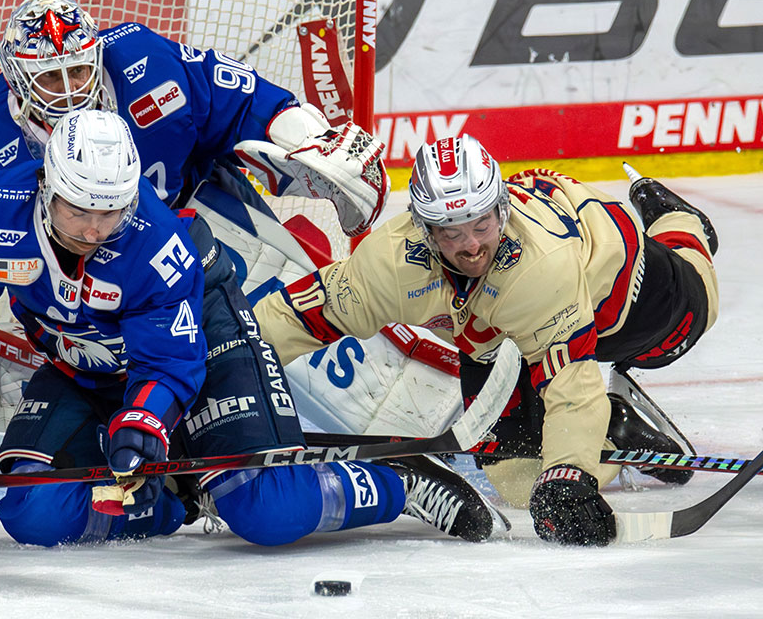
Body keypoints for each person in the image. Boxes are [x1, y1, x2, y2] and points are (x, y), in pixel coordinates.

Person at [0, 110, 497, 546]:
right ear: (46, 183)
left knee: (265, 512)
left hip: (205, 345)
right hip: (84, 366)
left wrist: (145, 421)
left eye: (110, 210)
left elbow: (170, 364)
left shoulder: (155, 241)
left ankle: (396, 480)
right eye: (79, 207)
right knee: (34, 512)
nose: (92, 228)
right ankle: (187, 494)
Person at [255, 134, 720, 547]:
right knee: (521, 482)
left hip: (617, 283)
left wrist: (571, 474)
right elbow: (298, 317)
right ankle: (614, 423)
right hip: (497, 335)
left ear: (501, 209)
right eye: (450, 232)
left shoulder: (541, 267)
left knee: (692, 319)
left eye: (481, 224)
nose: (471, 246)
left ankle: (680, 221)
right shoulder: (389, 264)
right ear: (423, 226)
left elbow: (570, 386)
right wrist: (220, 363)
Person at [0, 0, 388, 337]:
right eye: (49, 78)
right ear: (16, 78)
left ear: (97, 56)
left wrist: (305, 137)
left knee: (289, 324)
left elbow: (235, 97)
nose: (69, 90)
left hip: (194, 220)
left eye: (80, 70)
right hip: (71, 291)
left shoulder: (143, 58)